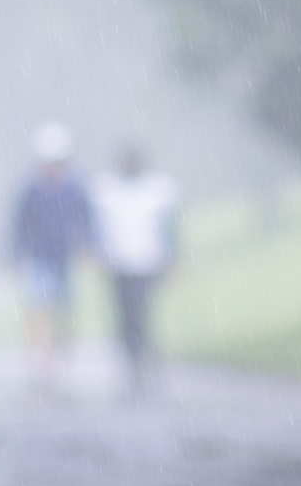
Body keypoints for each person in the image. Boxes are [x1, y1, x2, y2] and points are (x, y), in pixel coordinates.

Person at [10, 123, 95, 392]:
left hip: (64, 258)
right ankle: (42, 357)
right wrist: (17, 253)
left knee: (65, 309)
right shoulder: (31, 190)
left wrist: (88, 247)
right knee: (41, 307)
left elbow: (86, 220)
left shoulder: (74, 189)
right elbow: (20, 224)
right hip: (40, 258)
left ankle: (61, 353)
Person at [91, 143, 179, 393]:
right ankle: (136, 357)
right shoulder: (108, 189)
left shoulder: (158, 189)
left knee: (140, 311)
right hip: (118, 262)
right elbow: (99, 225)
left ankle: (142, 355)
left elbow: (170, 226)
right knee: (125, 313)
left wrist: (173, 256)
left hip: (148, 261)